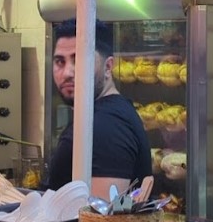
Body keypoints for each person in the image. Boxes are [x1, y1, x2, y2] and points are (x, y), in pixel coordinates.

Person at [45, 18, 151, 199]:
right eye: (60, 62)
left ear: (108, 67)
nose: (67, 73)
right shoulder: (103, 115)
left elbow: (102, 213)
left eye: (79, 60)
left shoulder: (106, 126)